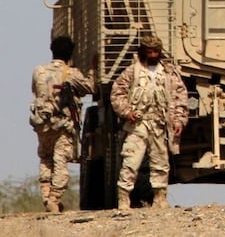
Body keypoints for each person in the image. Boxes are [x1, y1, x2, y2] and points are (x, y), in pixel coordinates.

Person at [110, 35, 187, 210]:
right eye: (149, 51)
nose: (152, 54)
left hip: (159, 124)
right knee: (131, 161)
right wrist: (126, 112)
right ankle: (123, 199)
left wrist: (178, 120)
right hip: (138, 125)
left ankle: (160, 199)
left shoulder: (168, 73)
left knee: (160, 163)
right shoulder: (133, 71)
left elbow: (180, 97)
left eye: (155, 51)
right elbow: (117, 93)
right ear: (143, 52)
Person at [29, 35, 95, 213]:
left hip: (42, 124)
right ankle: (54, 198)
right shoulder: (71, 73)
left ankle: (46, 196)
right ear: (71, 54)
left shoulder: (39, 71)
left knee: (45, 159)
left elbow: (36, 91)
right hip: (63, 125)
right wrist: (92, 70)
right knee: (60, 162)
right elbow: (89, 88)